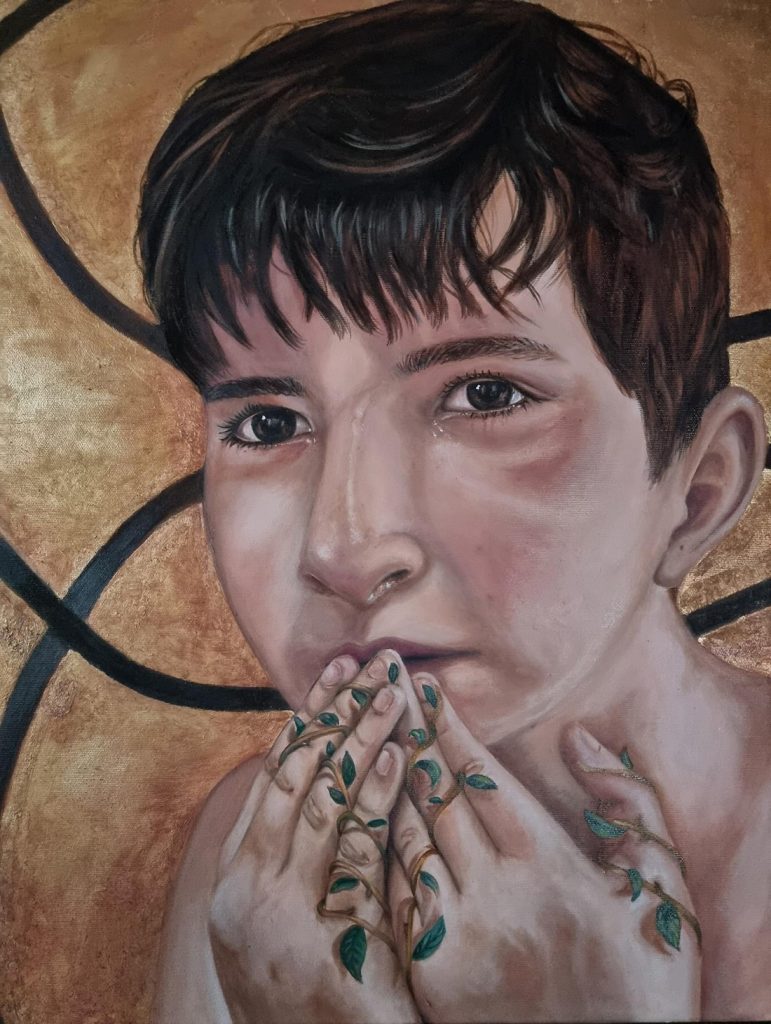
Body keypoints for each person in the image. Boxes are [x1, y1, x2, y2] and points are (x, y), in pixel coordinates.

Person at [135, 1, 770, 1020]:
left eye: (484, 395)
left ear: (698, 490)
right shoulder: (257, 870)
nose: (343, 546)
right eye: (266, 422)